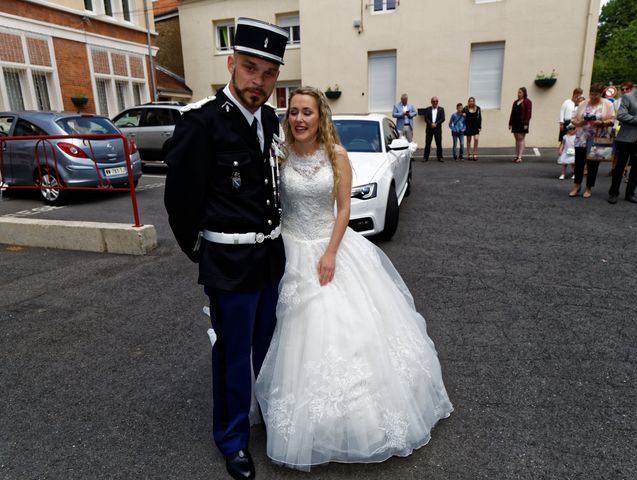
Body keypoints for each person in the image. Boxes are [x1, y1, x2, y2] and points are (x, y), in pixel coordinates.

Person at [255, 86, 453, 471]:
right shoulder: (280, 155)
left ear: (320, 117)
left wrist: (329, 253)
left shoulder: (337, 155)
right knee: (283, 329)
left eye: (307, 112)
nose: (298, 119)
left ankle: (344, 422)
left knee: (337, 329)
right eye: (293, 112)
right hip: (286, 249)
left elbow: (344, 208)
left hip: (329, 247)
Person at [163, 17, 289, 480]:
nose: (259, 82)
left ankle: (264, 417)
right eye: (251, 69)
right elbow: (179, 201)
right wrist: (204, 251)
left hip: (271, 259)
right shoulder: (201, 122)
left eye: (269, 73)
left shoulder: (270, 118)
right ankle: (233, 439)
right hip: (230, 262)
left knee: (269, 347)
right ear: (231, 64)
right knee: (234, 354)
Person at [569, 83, 615, 199]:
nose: (593, 97)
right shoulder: (583, 103)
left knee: (593, 164)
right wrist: (579, 123)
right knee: (579, 162)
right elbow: (573, 119)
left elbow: (613, 120)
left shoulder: (607, 104)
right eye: (591, 94)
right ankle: (577, 185)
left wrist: (602, 123)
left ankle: (589, 187)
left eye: (596, 94)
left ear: (601, 93)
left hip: (598, 137)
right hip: (581, 137)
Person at [607, 83, 637, 204]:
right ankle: (613, 193)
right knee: (619, 167)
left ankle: (630, 193)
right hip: (626, 138)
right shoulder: (628, 97)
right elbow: (620, 115)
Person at [508, 87, 532, 163]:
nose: (518, 94)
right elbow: (512, 113)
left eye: (520, 92)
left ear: (524, 93)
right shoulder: (515, 102)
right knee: (516, 139)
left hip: (522, 123)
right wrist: (510, 123)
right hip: (515, 123)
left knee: (521, 138)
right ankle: (517, 155)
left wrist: (526, 123)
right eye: (518, 92)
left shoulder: (527, 102)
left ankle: (520, 157)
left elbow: (528, 114)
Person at [423, 96, 445, 162]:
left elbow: (442, 118)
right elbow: (426, 118)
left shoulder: (441, 109)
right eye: (433, 101)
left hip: (437, 129)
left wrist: (436, 124)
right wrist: (431, 124)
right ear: (431, 102)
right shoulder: (427, 109)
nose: (435, 102)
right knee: (427, 143)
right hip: (429, 128)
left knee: (439, 143)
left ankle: (440, 157)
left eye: (436, 101)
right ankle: (425, 157)